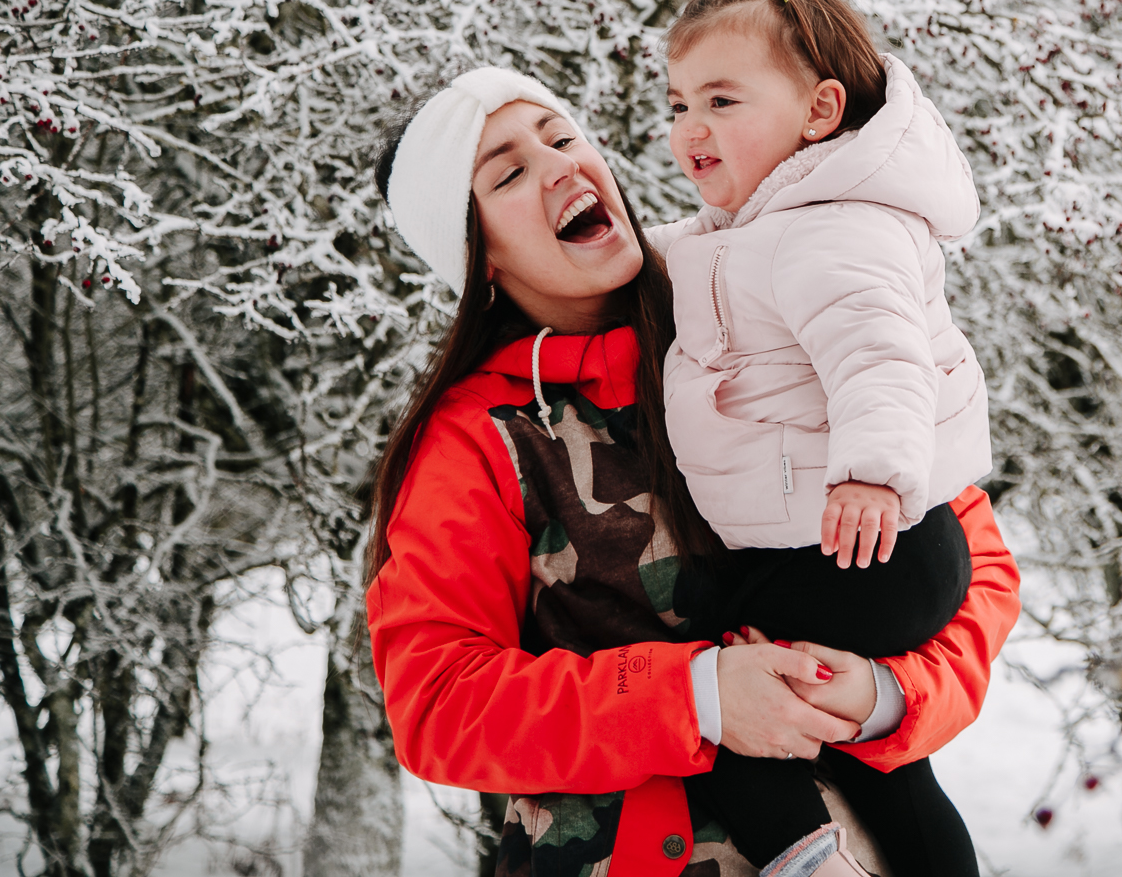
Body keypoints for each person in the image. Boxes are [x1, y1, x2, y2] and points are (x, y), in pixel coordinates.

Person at [362, 66, 1020, 877]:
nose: (560, 164)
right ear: (478, 258)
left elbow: (971, 557)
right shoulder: (480, 439)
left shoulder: (755, 295)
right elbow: (439, 705)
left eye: (562, 137)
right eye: (509, 171)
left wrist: (884, 696)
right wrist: (697, 695)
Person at [650, 0, 992, 877]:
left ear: (819, 110)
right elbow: (688, 262)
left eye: (724, 99)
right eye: (680, 101)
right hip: (866, 550)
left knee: (716, 683)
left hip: (866, 546)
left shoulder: (833, 228)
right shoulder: (762, 227)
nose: (693, 127)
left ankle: (805, 858)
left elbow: (881, 356)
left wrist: (874, 469)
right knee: (870, 754)